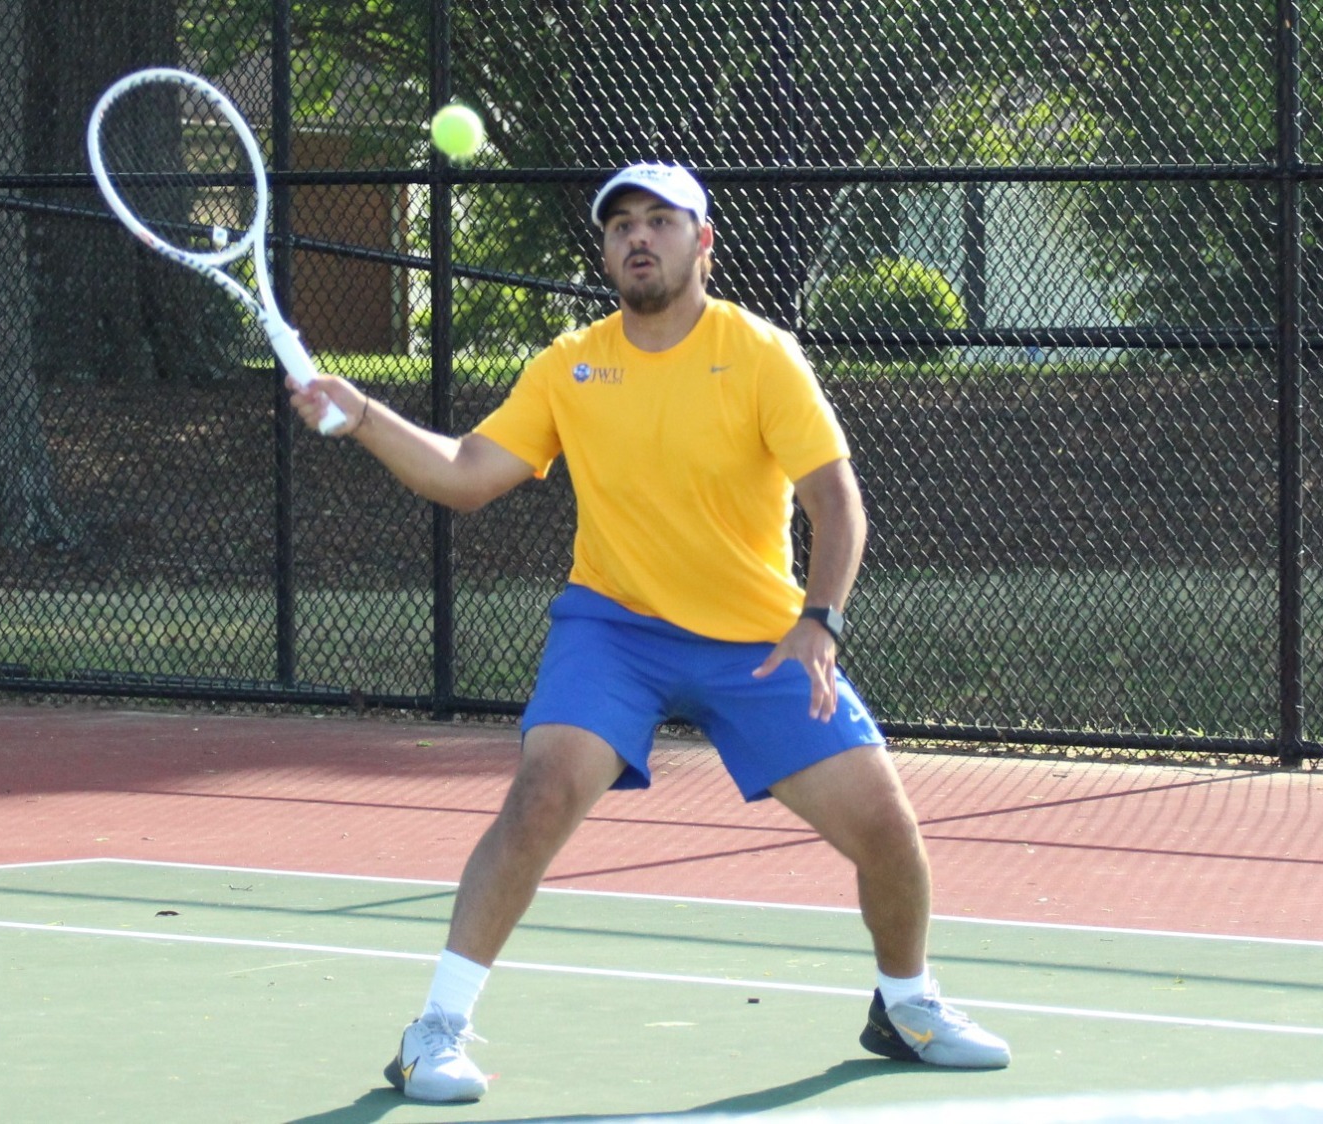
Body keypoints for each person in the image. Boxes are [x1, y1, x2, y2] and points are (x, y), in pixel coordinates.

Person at [290, 163, 1010, 1103]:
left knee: (885, 827)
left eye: (661, 222)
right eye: (622, 224)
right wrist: (367, 418)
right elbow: (467, 474)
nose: (639, 237)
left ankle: (906, 1006)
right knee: (544, 790)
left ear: (701, 242)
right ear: (607, 253)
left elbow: (836, 500)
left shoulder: (760, 354)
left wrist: (820, 622)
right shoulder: (570, 364)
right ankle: (435, 1030)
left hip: (759, 639)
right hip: (614, 630)